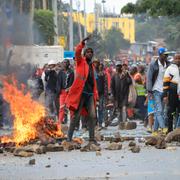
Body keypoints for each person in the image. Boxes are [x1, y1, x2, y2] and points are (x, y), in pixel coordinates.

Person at [65, 35, 98, 145]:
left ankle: (92, 139)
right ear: (85, 54)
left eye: (91, 52)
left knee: (93, 116)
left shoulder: (92, 66)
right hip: (80, 94)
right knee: (76, 116)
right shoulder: (80, 61)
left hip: (89, 94)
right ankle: (69, 138)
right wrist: (82, 43)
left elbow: (93, 82)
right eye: (88, 52)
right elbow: (77, 53)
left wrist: (95, 95)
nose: (90, 53)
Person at [147, 47, 170, 135]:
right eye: (165, 55)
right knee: (159, 111)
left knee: (159, 111)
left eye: (167, 55)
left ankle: (155, 131)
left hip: (164, 90)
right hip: (155, 90)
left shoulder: (168, 65)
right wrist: (149, 91)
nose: (166, 56)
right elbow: (149, 78)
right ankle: (163, 127)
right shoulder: (153, 64)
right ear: (160, 55)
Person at [111, 61, 132, 128]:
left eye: (119, 66)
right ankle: (120, 123)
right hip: (117, 95)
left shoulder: (125, 74)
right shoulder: (114, 76)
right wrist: (113, 95)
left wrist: (126, 75)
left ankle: (124, 122)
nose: (118, 67)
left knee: (124, 108)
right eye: (117, 66)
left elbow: (129, 82)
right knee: (119, 109)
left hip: (125, 94)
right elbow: (112, 86)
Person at [163, 54, 180, 132]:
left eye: (179, 58)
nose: (178, 60)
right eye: (176, 58)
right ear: (173, 59)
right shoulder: (170, 69)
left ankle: (177, 130)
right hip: (172, 92)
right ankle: (170, 130)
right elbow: (166, 82)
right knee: (171, 112)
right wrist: (165, 95)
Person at [56, 59, 74, 124]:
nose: (64, 64)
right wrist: (58, 92)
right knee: (61, 107)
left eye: (66, 63)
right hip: (62, 92)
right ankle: (60, 122)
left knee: (71, 108)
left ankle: (72, 123)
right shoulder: (60, 72)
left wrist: (69, 89)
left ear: (68, 64)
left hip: (69, 92)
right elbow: (58, 83)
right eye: (63, 63)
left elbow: (72, 83)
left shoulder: (71, 72)